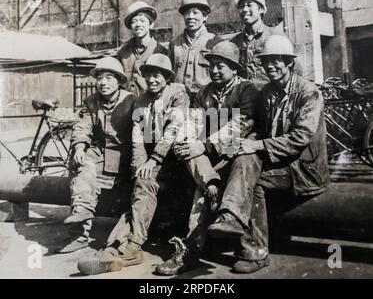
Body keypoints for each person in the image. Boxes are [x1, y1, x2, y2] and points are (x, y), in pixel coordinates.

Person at [77, 54, 191, 275]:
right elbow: (138, 136)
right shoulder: (141, 100)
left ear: (167, 77)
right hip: (152, 161)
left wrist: (154, 159)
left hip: (176, 159)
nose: (152, 80)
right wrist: (139, 166)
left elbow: (173, 130)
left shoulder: (178, 93)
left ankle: (127, 246)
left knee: (146, 186)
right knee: (141, 184)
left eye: (157, 76)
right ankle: (117, 248)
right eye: (148, 76)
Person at [155, 41, 262, 275]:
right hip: (206, 158)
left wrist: (200, 145)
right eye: (211, 65)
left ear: (234, 68)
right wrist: (189, 142)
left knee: (200, 193)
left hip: (236, 154)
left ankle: (190, 252)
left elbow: (239, 127)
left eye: (220, 66)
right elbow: (192, 122)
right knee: (185, 145)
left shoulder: (247, 90)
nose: (214, 70)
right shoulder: (205, 92)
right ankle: (210, 183)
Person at [229, 35, 329, 273]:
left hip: (304, 169)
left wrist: (259, 145)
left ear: (289, 63)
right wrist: (244, 141)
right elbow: (260, 128)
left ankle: (256, 252)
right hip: (281, 162)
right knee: (243, 157)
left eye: (277, 60)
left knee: (256, 183)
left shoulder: (308, 92)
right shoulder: (267, 92)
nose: (271, 66)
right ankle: (231, 215)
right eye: (267, 61)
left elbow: (300, 138)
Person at [60, 57, 136, 253]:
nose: (103, 82)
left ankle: (119, 243)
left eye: (109, 78)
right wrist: (79, 147)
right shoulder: (91, 101)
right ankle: (79, 230)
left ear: (119, 81)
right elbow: (82, 126)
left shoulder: (131, 101)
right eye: (100, 78)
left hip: (127, 155)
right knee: (82, 166)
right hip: (100, 153)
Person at [168, 0, 222, 103]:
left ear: (205, 16)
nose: (190, 17)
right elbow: (169, 75)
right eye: (186, 13)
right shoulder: (174, 43)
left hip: (206, 101)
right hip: (178, 101)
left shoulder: (215, 42)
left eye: (195, 12)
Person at [230, 0, 283, 90]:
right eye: (241, 6)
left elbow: (293, 69)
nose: (245, 9)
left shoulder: (276, 37)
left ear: (261, 9)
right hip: (243, 98)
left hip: (271, 97)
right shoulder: (234, 42)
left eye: (249, 5)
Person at [118, 1, 167, 97]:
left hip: (149, 103)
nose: (138, 25)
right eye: (134, 21)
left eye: (142, 20)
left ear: (151, 24)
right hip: (125, 103)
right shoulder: (123, 52)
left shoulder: (160, 51)